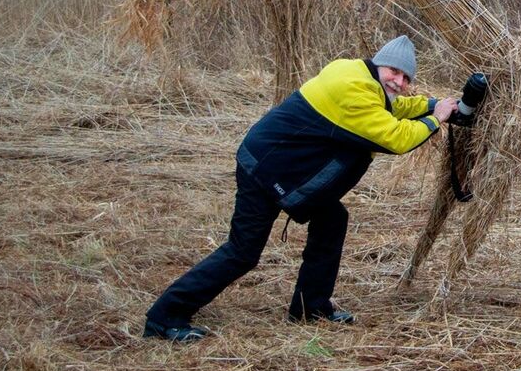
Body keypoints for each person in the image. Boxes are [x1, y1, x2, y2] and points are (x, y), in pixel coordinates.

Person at [144, 35, 459, 341]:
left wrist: (435, 104)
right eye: (394, 72)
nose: (399, 82)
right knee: (243, 252)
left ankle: (310, 308)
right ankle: (165, 316)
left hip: (283, 167)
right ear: (378, 65)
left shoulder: (358, 76)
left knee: (332, 219)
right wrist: (436, 119)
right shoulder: (355, 92)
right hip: (265, 167)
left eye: (406, 77)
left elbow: (396, 107)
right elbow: (396, 137)